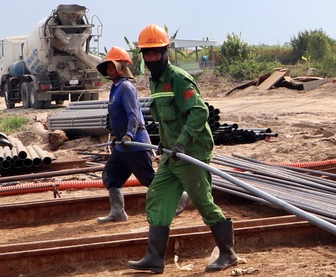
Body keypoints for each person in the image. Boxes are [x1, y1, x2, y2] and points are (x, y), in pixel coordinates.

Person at [128, 24, 237, 274]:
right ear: (142, 56)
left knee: (202, 201)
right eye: (148, 53)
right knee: (157, 195)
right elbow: (168, 117)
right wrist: (165, 142)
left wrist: (182, 142)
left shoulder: (178, 78)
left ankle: (228, 253)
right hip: (172, 153)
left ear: (166, 51)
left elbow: (199, 112)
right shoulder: (155, 82)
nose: (152, 58)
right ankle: (155, 258)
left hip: (191, 151)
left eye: (157, 52)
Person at [95, 46, 155, 223]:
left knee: (149, 179)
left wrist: (129, 135)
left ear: (122, 67)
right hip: (123, 146)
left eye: (113, 67)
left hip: (135, 143)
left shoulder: (126, 87)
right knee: (111, 176)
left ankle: (180, 197)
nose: (110, 71)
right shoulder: (115, 88)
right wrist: (117, 137)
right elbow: (117, 116)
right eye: (108, 68)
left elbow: (133, 114)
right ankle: (118, 212)